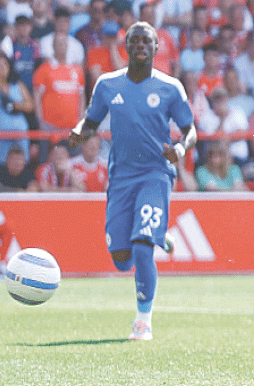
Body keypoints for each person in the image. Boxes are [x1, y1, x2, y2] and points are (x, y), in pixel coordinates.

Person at [68, 21, 196, 341]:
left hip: (155, 173)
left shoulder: (170, 87)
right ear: (125, 48)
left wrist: (180, 148)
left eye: (146, 41)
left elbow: (191, 130)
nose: (140, 45)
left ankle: (143, 319)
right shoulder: (107, 85)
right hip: (121, 177)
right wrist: (81, 130)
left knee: (141, 249)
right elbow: (93, 119)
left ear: (156, 48)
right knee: (122, 260)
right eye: (134, 40)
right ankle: (156, 235)